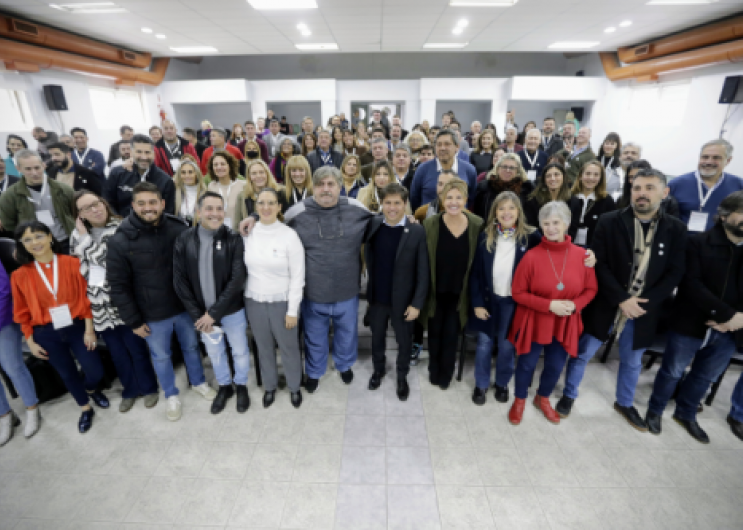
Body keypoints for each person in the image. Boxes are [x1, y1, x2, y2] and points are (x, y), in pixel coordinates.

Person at [559, 169, 687, 429]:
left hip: (643, 309)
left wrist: (643, 303)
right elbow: (599, 263)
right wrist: (621, 298)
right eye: (637, 188)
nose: (641, 193)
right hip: (608, 302)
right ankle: (569, 394)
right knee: (584, 353)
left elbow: (675, 272)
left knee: (632, 360)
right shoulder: (609, 221)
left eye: (649, 188)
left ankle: (624, 402)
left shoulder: (675, 229)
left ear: (664, 193)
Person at [645, 191, 743, 443]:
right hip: (692, 320)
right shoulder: (698, 243)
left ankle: (686, 413)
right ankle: (655, 410)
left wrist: (737, 319)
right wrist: (726, 315)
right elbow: (691, 283)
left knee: (705, 375)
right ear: (723, 215)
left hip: (733, 328)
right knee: (672, 371)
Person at [279, 166, 373, 393]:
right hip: (314, 293)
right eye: (320, 185)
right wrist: (254, 217)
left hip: (347, 291)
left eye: (331, 184)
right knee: (315, 337)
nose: (325, 189)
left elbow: (382, 222)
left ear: (340, 187)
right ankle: (314, 372)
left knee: (347, 334)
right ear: (313, 186)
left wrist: (409, 218)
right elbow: (274, 224)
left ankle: (344, 365)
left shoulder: (356, 209)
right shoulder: (297, 212)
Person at [12, 220, 109, 433]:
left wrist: (89, 329)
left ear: (49, 237)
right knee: (67, 373)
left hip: (77, 327)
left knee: (95, 369)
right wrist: (30, 340)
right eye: (27, 239)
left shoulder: (72, 263)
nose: (34, 242)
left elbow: (86, 299)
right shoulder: (19, 275)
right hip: (46, 333)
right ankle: (85, 408)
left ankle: (91, 388)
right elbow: (21, 312)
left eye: (38, 236)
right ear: (22, 245)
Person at [507, 202, 598, 425]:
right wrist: (549, 305)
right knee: (527, 363)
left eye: (556, 223)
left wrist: (576, 305)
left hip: (565, 322)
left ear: (566, 224)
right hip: (536, 320)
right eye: (545, 223)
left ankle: (543, 397)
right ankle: (519, 400)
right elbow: (517, 292)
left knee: (556, 365)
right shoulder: (531, 256)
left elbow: (591, 289)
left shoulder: (582, 256)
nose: (550, 228)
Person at [70, 190, 159, 413]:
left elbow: (108, 262)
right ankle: (129, 390)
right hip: (100, 306)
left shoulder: (121, 226)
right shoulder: (76, 235)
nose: (95, 209)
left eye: (97, 203)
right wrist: (85, 243)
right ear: (79, 215)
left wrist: (86, 243)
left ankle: (149, 388)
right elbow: (81, 271)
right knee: (117, 352)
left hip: (125, 301)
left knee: (137, 348)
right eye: (87, 208)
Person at [173, 191, 250, 414]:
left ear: (224, 212)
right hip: (202, 313)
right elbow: (180, 281)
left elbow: (237, 280)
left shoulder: (234, 239)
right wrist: (199, 314)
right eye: (209, 208)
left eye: (219, 208)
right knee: (215, 353)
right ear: (198, 211)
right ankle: (225, 386)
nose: (214, 213)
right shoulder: (184, 239)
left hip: (231, 311)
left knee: (240, 351)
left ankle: (242, 384)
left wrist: (213, 313)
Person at [469, 190, 543, 405]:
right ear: (495, 213)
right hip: (488, 300)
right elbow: (475, 273)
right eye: (501, 208)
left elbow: (553, 252)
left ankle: (502, 383)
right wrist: (477, 303)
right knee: (483, 344)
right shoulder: (486, 235)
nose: (506, 212)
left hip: (514, 302)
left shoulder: (531, 237)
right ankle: (481, 384)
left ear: (519, 212)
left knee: (507, 345)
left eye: (511, 208)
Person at [365, 183, 428, 400]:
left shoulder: (416, 231)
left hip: (404, 301)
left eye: (397, 203)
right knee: (377, 339)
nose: (392, 208)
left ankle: (402, 377)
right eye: (387, 203)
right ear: (381, 204)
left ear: (405, 204)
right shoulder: (373, 224)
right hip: (378, 297)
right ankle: (378, 370)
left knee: (404, 341)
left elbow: (423, 272)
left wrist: (417, 304)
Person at [244, 188, 305, 408]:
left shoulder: (289, 235)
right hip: (254, 301)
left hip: (283, 302)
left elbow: (298, 277)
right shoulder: (247, 233)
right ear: (256, 206)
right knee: (263, 347)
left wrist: (292, 310)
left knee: (289, 348)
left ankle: (294, 387)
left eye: (271, 203)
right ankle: (269, 386)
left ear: (280, 207)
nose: (266, 207)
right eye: (261, 203)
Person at [420, 178, 483, 389]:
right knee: (435, 331)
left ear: (465, 200)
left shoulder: (476, 224)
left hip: (460, 293)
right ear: (441, 199)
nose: (454, 202)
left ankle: (446, 371)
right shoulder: (431, 223)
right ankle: (434, 369)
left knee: (451, 334)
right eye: (449, 197)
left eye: (458, 197)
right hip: (436, 291)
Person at [0, 149, 75, 255]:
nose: (34, 173)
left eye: (37, 167)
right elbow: (8, 223)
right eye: (28, 169)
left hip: (65, 242)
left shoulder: (63, 189)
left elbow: (75, 213)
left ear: (43, 165)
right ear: (19, 169)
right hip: (35, 246)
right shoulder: (10, 195)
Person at [0, 259, 40, 445]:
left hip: (3, 321)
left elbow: (3, 291)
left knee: (13, 367)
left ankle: (32, 408)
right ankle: (5, 415)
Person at [669, 139, 743, 232]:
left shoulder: (739, 185)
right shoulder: (676, 184)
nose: (708, 162)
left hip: (719, 244)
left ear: (728, 160)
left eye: (716, 158)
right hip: (682, 242)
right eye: (705, 157)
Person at [104, 135, 176, 218]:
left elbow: (168, 211)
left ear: (154, 154)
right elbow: (108, 201)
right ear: (131, 152)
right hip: (122, 224)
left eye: (147, 152)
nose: (144, 157)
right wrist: (119, 222)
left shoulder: (165, 180)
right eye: (139, 152)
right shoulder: (117, 173)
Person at [410, 130, 477, 211]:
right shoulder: (422, 169)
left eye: (447, 144)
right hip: (428, 221)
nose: (442, 148)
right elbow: (414, 199)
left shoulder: (469, 170)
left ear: (457, 147)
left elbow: (471, 198)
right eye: (439, 144)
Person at [567, 160, 616, 248]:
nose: (591, 178)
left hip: (594, 246)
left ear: (601, 178)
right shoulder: (569, 196)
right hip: (569, 244)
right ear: (581, 176)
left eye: (596, 175)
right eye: (588, 173)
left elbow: (610, 228)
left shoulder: (607, 200)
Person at [206, 151, 246, 231]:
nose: (219, 167)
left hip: (239, 233)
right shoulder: (211, 186)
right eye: (215, 165)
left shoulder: (243, 185)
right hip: (218, 231)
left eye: (222, 164)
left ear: (230, 166)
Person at [523, 163, 572, 228]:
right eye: (548, 176)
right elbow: (531, 228)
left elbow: (572, 229)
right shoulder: (533, 202)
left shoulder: (573, 201)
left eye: (556, 174)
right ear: (544, 180)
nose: (553, 178)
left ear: (563, 177)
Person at [174, 157, 207, 225]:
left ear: (196, 173)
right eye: (183, 172)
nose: (187, 176)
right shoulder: (176, 191)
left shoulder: (205, 193)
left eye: (190, 172)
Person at [598, 132, 623, 198]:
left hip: (610, 196)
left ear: (617, 146)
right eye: (607, 143)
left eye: (612, 144)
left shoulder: (619, 163)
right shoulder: (596, 159)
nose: (609, 146)